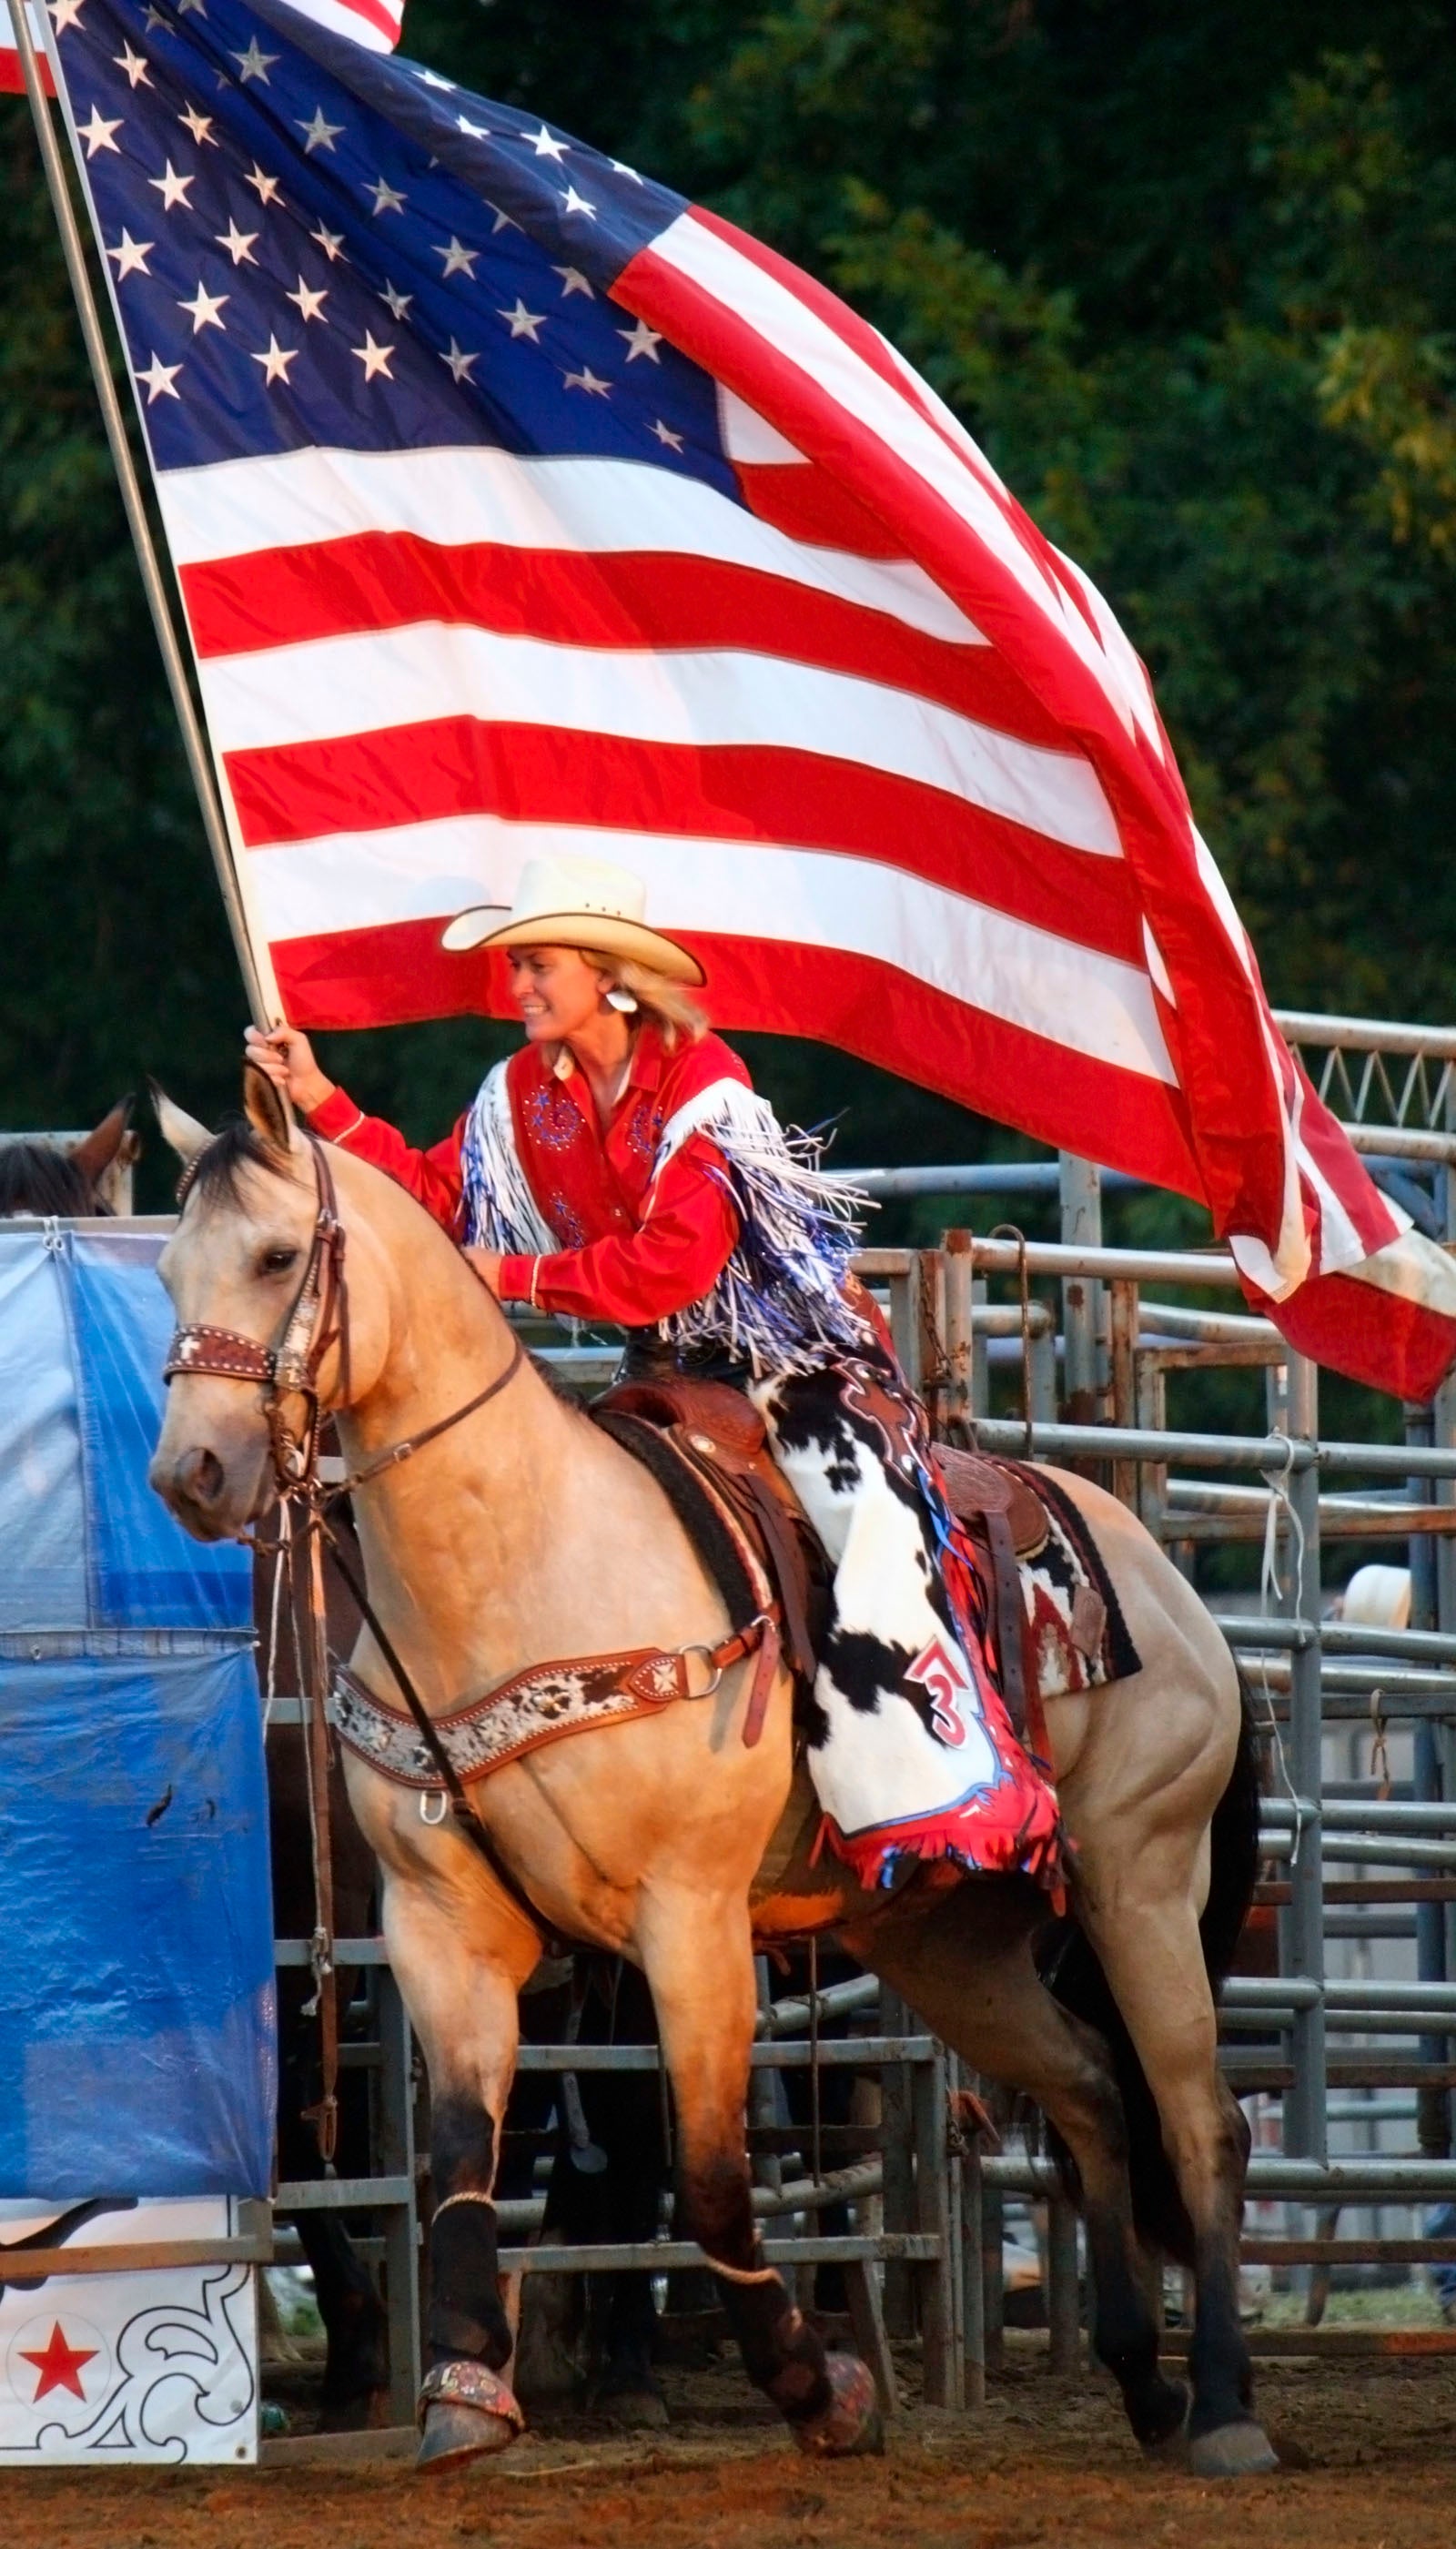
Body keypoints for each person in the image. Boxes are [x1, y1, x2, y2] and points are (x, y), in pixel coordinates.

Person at [247, 855, 1059, 1893]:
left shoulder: (705, 1089)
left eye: (538, 964)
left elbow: (668, 1267)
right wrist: (320, 1098)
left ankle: (930, 1775)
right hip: (662, 1365)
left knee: (868, 1523)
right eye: (519, 965)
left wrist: (512, 1272)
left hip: (791, 1358)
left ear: (607, 974)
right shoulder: (520, 1093)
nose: (519, 985)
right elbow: (434, 1196)